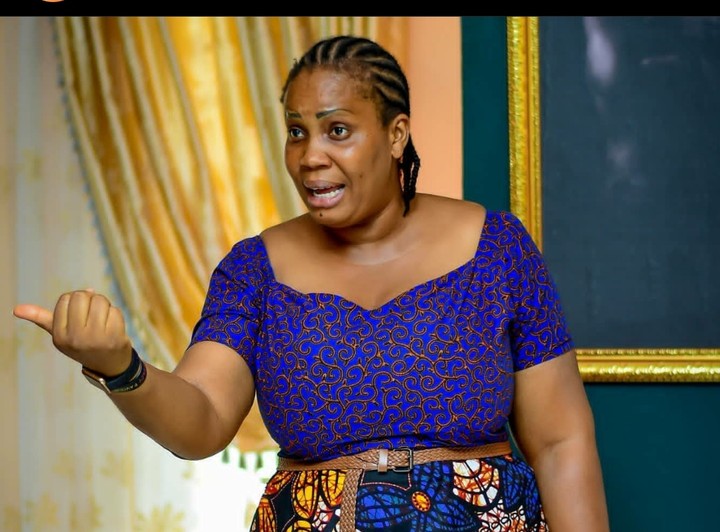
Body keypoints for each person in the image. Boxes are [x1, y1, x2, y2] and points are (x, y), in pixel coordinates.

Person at [13, 35, 609, 531]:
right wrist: (122, 369)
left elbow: (560, 442)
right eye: (296, 132)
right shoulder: (254, 270)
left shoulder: (497, 250)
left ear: (396, 134)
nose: (309, 157)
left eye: (337, 130)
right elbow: (201, 422)